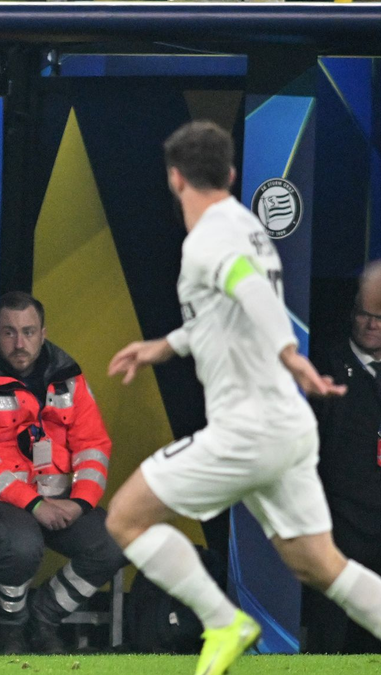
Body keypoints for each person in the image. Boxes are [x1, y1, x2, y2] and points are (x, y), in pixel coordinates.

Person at [105, 120, 381, 675]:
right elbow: (221, 315)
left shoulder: (210, 238)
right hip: (286, 429)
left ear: (175, 178)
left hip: (248, 429)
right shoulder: (247, 226)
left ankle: (223, 621)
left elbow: (248, 291)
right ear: (231, 174)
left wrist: (289, 351)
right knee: (319, 564)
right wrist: (163, 346)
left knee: (126, 518)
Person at [0, 291, 124, 654]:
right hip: (7, 502)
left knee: (116, 541)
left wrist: (81, 502)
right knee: (20, 546)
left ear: (44, 333)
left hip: (64, 500)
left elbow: (93, 445)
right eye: (9, 332)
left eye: (28, 332)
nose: (19, 342)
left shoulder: (70, 379)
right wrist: (33, 504)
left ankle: (43, 619)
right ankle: (9, 628)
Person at [302, 285, 381, 653]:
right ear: (352, 313)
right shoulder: (323, 368)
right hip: (338, 526)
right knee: (331, 636)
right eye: (366, 314)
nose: (373, 324)